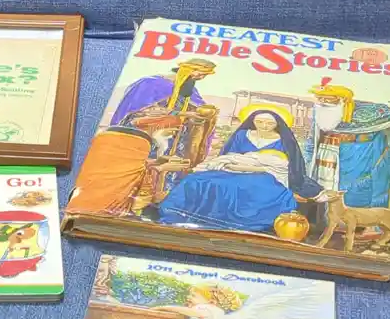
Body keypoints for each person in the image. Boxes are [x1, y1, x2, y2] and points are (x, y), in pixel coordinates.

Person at [158, 104, 327, 232]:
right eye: (259, 122)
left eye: (269, 123)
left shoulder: (283, 141)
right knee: (197, 179)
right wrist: (233, 165)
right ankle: (183, 214)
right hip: (232, 169)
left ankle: (238, 221)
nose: (264, 125)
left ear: (277, 124)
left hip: (265, 174)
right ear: (252, 121)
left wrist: (250, 167)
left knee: (247, 186)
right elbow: (228, 155)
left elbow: (283, 166)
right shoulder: (241, 135)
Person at [308, 77, 390, 208]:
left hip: (354, 168)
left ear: (343, 100)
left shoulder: (370, 118)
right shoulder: (319, 113)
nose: (322, 102)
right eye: (319, 98)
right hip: (324, 162)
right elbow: (311, 142)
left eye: (328, 99)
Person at [109, 58, 216, 127]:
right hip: (141, 125)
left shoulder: (189, 87)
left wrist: (207, 111)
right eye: (199, 74)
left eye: (204, 75)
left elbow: (198, 105)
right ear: (186, 70)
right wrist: (184, 114)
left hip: (171, 126)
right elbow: (147, 111)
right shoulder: (151, 83)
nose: (201, 78)